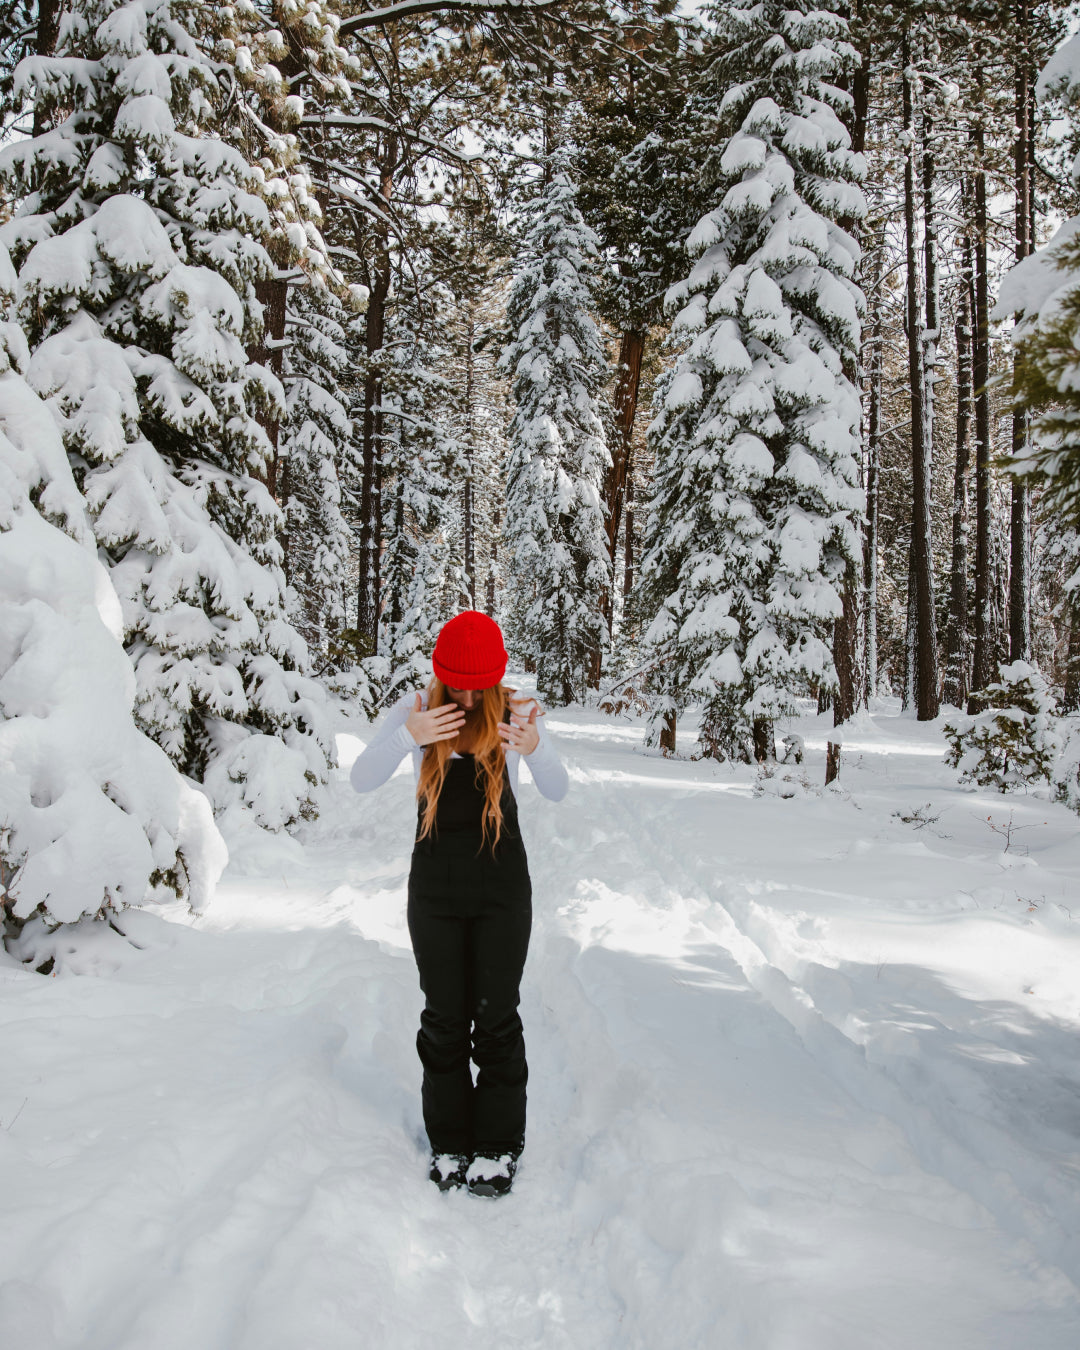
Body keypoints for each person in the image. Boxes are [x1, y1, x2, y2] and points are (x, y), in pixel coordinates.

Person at [350, 610, 568, 1197]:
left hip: (502, 890)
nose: (469, 699)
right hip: (435, 891)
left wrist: (536, 748)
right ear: (441, 674)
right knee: (444, 1016)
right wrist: (409, 736)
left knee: (496, 1018)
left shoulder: (517, 712)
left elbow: (557, 788)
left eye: (479, 686)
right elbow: (361, 778)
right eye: (459, 685)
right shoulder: (417, 709)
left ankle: (497, 1145)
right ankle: (449, 1140)